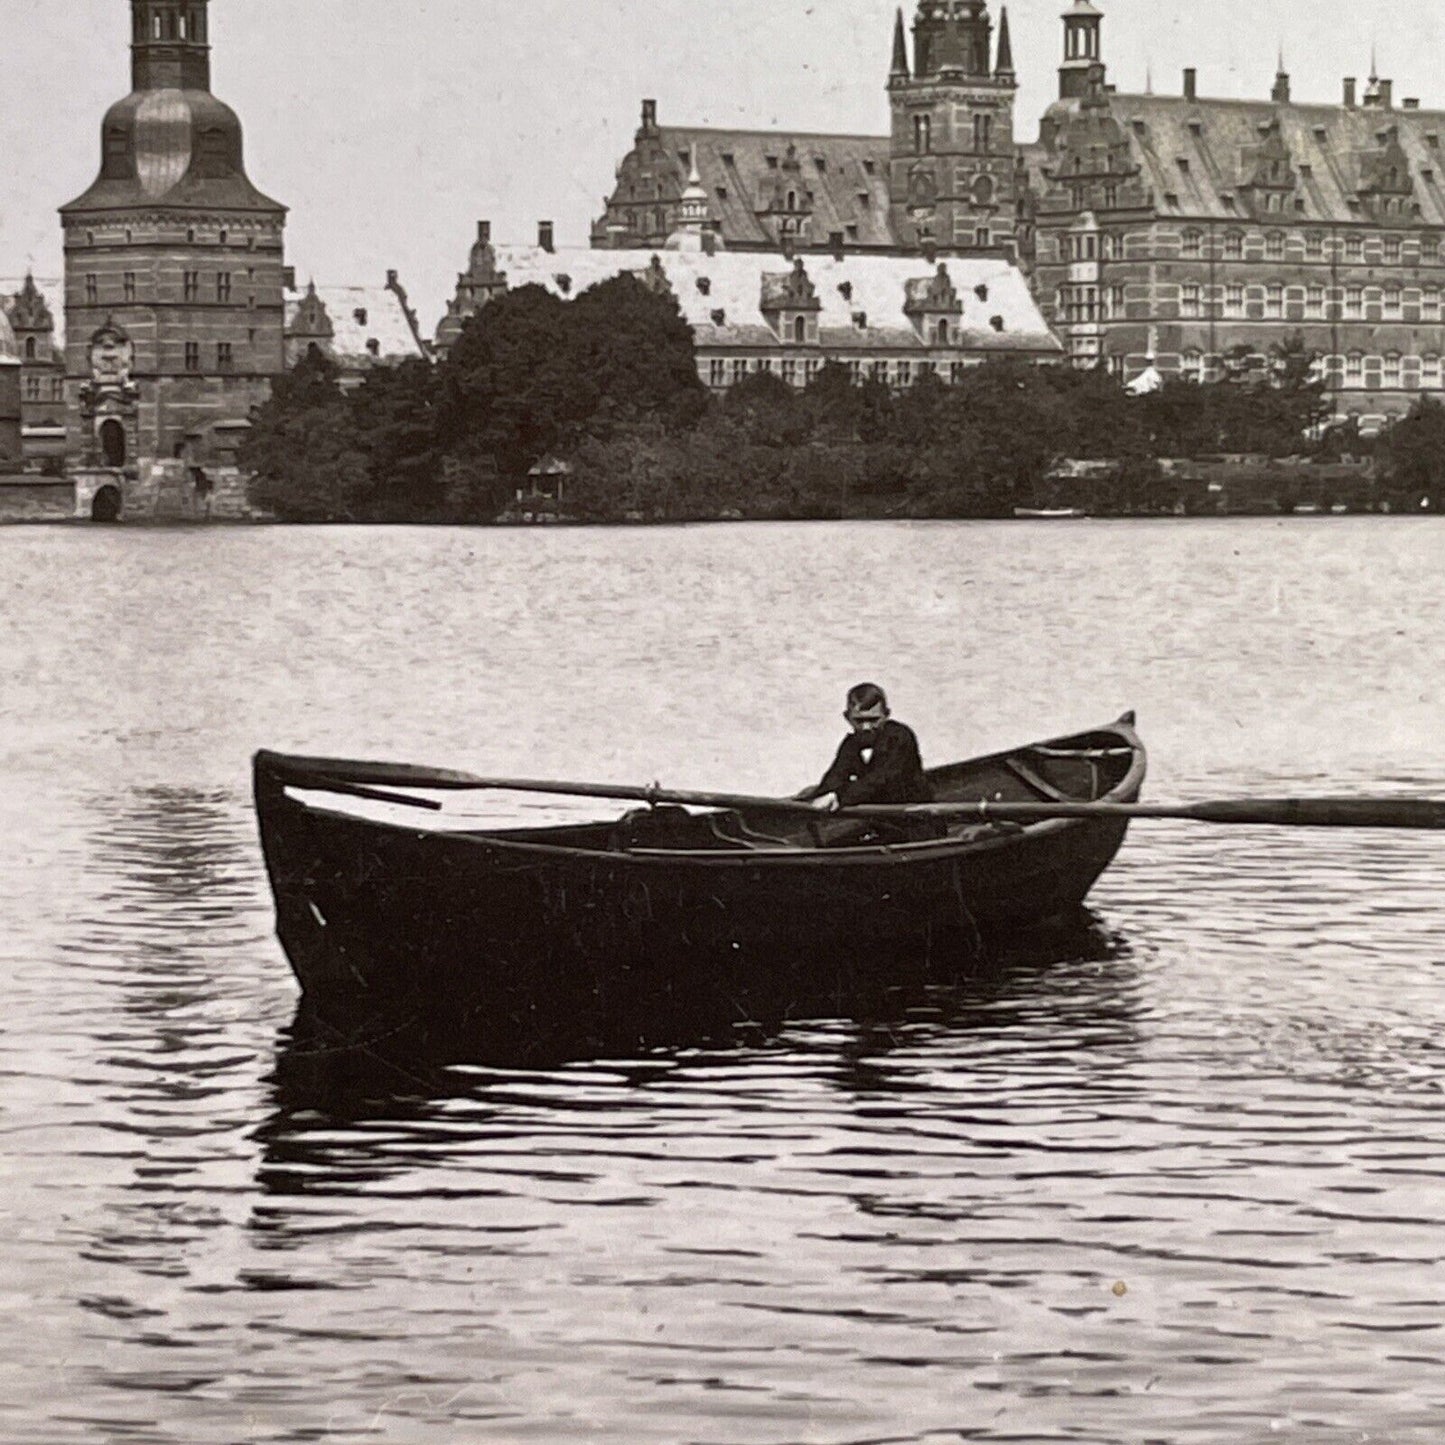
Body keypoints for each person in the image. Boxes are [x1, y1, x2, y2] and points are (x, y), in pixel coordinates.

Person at [796, 683, 933, 812]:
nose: (866, 727)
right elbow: (836, 775)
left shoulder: (900, 737)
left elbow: (881, 779)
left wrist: (839, 797)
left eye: (873, 720)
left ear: (886, 715)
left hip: (912, 817)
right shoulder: (851, 744)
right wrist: (822, 794)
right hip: (874, 817)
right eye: (859, 721)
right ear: (847, 717)